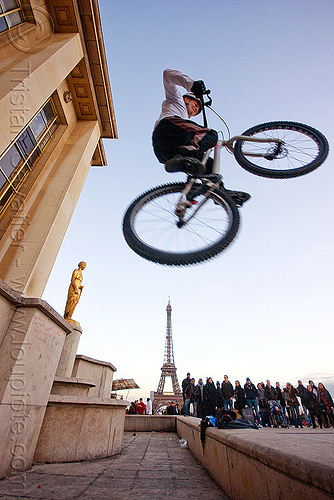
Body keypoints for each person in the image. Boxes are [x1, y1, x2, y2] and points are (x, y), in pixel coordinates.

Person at [152, 69, 250, 206]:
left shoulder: (185, 120)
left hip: (166, 153)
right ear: (187, 99)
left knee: (207, 164)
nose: (194, 111)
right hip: (167, 130)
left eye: (197, 110)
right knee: (211, 134)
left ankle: (220, 193)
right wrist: (192, 85)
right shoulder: (176, 100)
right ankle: (189, 154)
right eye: (195, 105)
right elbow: (167, 74)